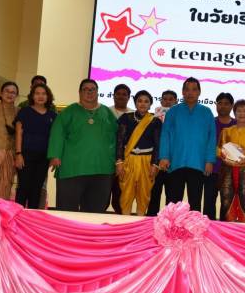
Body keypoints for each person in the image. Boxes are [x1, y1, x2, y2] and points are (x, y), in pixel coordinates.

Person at [47, 79, 118, 212]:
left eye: (92, 89)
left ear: (97, 92)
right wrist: (55, 155)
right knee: (67, 208)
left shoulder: (107, 112)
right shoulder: (69, 112)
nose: (89, 92)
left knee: (95, 210)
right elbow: (57, 133)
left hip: (102, 167)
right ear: (79, 92)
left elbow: (117, 136)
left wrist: (118, 160)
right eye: (85, 89)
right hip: (72, 167)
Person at [159, 77, 216, 212]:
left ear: (199, 92)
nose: (190, 93)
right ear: (183, 92)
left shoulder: (206, 112)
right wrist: (164, 156)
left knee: (195, 203)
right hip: (175, 162)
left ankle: (194, 225)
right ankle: (172, 225)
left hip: (198, 163)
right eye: (187, 90)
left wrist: (209, 160)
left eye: (194, 89)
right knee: (173, 202)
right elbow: (165, 135)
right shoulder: (173, 111)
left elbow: (212, 138)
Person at [116, 90, 163, 216]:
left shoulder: (155, 121)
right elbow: (119, 141)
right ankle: (124, 221)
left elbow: (158, 145)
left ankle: (140, 220)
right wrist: (119, 161)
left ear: (150, 104)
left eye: (146, 101)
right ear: (135, 103)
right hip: (129, 160)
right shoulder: (126, 118)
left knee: (144, 194)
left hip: (146, 161)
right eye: (140, 101)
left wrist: (155, 164)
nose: (143, 104)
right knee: (126, 194)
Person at [14, 83, 56, 208]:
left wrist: (52, 156)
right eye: (37, 93)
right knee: (23, 187)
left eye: (43, 94)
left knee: (36, 189)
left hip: (43, 158)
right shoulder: (25, 111)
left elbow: (55, 138)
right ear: (32, 96)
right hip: (25, 155)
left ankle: (31, 216)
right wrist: (18, 154)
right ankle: (18, 215)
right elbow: (18, 133)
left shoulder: (52, 115)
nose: (40, 96)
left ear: (48, 96)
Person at [203, 93, 235, 220]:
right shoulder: (210, 123)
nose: (223, 106)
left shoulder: (237, 124)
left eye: (226, 103)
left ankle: (224, 230)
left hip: (230, 170)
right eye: (220, 103)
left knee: (226, 205)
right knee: (208, 203)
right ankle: (208, 229)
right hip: (210, 169)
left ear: (232, 106)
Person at [148, 90, 178, 216]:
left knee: (172, 197)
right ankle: (150, 220)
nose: (167, 101)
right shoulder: (152, 118)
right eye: (165, 99)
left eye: (171, 99)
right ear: (160, 101)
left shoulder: (180, 117)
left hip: (173, 162)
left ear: (176, 101)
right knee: (154, 194)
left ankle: (170, 221)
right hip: (156, 162)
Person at [109, 83, 133, 213]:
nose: (121, 96)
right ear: (113, 96)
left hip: (125, 160)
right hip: (107, 158)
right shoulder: (106, 112)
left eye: (124, 94)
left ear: (129, 97)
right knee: (103, 196)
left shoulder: (132, 115)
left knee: (120, 197)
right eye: (118, 94)